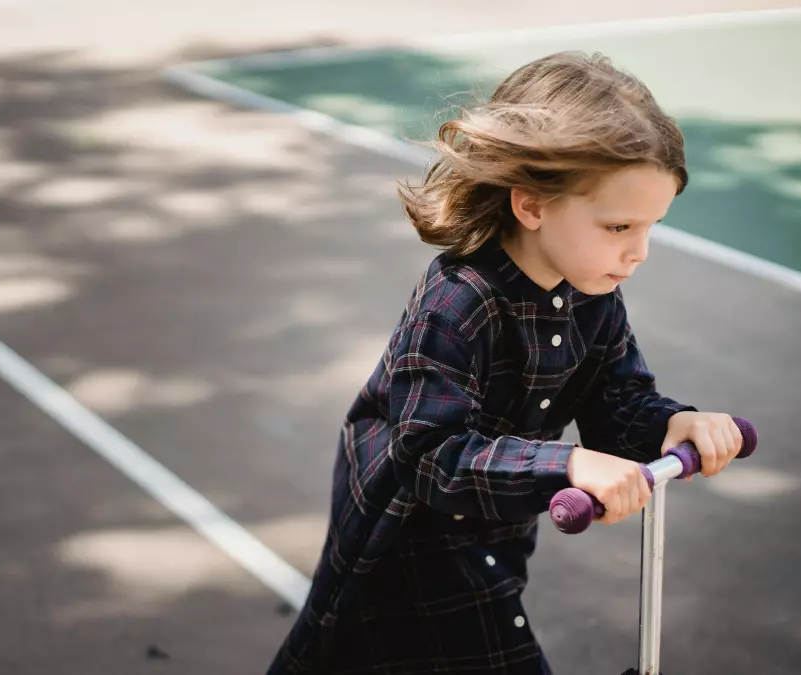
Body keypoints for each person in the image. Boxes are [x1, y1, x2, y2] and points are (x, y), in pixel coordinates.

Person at [266, 51, 745, 675]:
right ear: (532, 206)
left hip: (494, 537)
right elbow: (434, 458)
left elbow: (617, 405)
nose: (639, 252)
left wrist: (671, 425)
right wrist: (566, 463)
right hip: (408, 551)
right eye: (619, 225)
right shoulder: (456, 303)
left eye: (652, 227)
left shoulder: (592, 299)